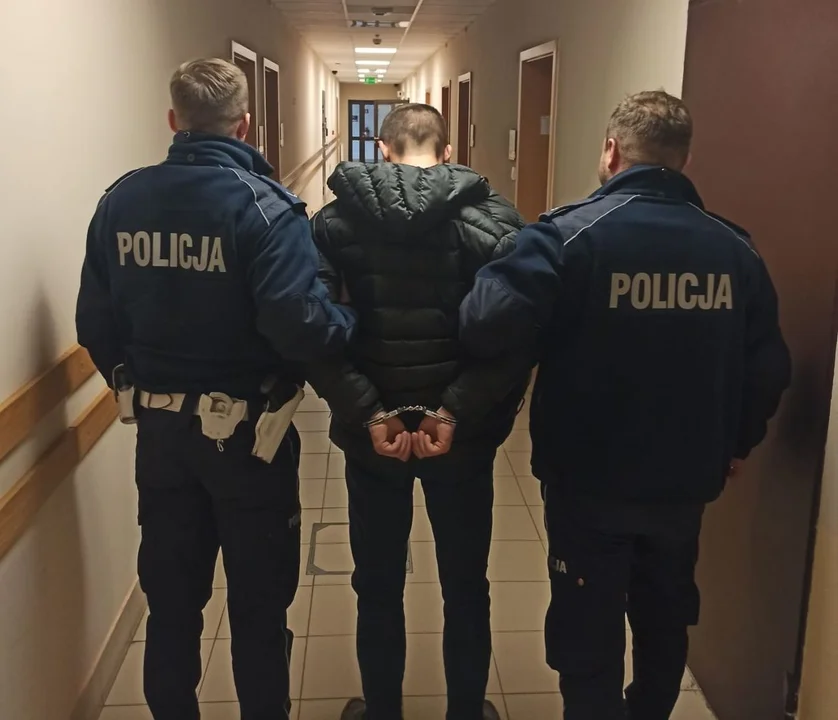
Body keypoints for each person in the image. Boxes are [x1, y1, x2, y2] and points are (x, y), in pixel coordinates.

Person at [459, 90, 791, 719]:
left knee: (588, 631)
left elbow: (484, 324)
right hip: (685, 481)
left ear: (611, 151)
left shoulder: (568, 236)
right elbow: (769, 367)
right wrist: (737, 443)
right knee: (665, 619)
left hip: (589, 480)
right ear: (684, 158)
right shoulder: (734, 249)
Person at [75, 58, 356, 720]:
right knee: (259, 606)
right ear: (246, 123)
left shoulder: (121, 201)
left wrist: (141, 384)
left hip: (161, 438)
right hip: (250, 441)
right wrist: (348, 321)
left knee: (171, 603)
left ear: (174, 119)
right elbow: (296, 323)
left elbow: (94, 324)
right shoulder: (265, 207)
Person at [305, 104, 530, 720]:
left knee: (377, 586)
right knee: (466, 586)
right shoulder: (495, 222)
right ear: (448, 151)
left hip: (373, 438)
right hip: (460, 438)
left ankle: (382, 711)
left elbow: (313, 334)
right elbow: (520, 339)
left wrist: (369, 412)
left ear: (383, 149)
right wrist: (453, 411)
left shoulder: (332, 224)